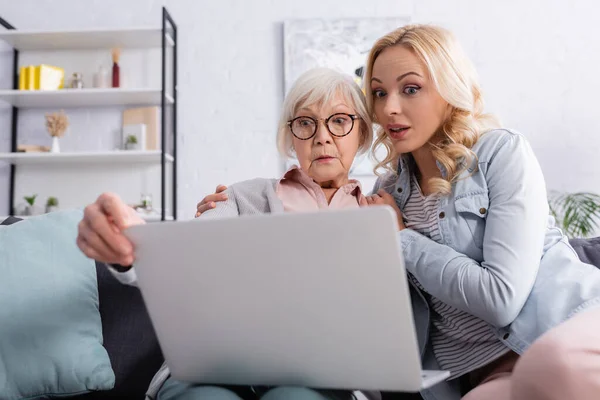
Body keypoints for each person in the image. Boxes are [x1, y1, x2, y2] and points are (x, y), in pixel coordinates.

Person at [196, 24, 600, 400]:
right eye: (378, 92)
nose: (389, 108)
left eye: (410, 89)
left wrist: (402, 238)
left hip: (563, 327)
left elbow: (501, 300)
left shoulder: (500, 153)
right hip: (484, 372)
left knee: (552, 369)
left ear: (448, 88)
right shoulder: (385, 194)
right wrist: (224, 219)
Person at [76, 67, 388, 400]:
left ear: (363, 133)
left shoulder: (379, 216)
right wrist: (129, 247)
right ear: (291, 136)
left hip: (319, 374)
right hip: (215, 366)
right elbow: (181, 255)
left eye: (339, 121)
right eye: (306, 122)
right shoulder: (241, 197)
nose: (322, 137)